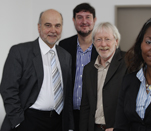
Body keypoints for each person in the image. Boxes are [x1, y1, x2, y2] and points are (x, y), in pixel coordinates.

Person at [0, 9, 73, 131]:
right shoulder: (19, 52)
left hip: (58, 123)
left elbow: (67, 94)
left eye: (57, 26)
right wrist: (18, 122)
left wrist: (69, 125)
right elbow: (8, 89)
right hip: (29, 121)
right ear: (39, 27)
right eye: (48, 25)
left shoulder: (66, 56)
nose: (53, 30)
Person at [80, 22, 127, 131]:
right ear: (93, 43)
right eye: (98, 39)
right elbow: (85, 107)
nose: (103, 44)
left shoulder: (127, 62)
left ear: (116, 41)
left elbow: (132, 103)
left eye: (107, 39)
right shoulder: (88, 69)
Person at [59, 3, 98, 131]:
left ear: (94, 20)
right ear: (74, 20)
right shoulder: (64, 45)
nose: (84, 21)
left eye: (88, 17)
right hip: (69, 113)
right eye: (80, 17)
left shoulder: (102, 48)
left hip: (94, 114)